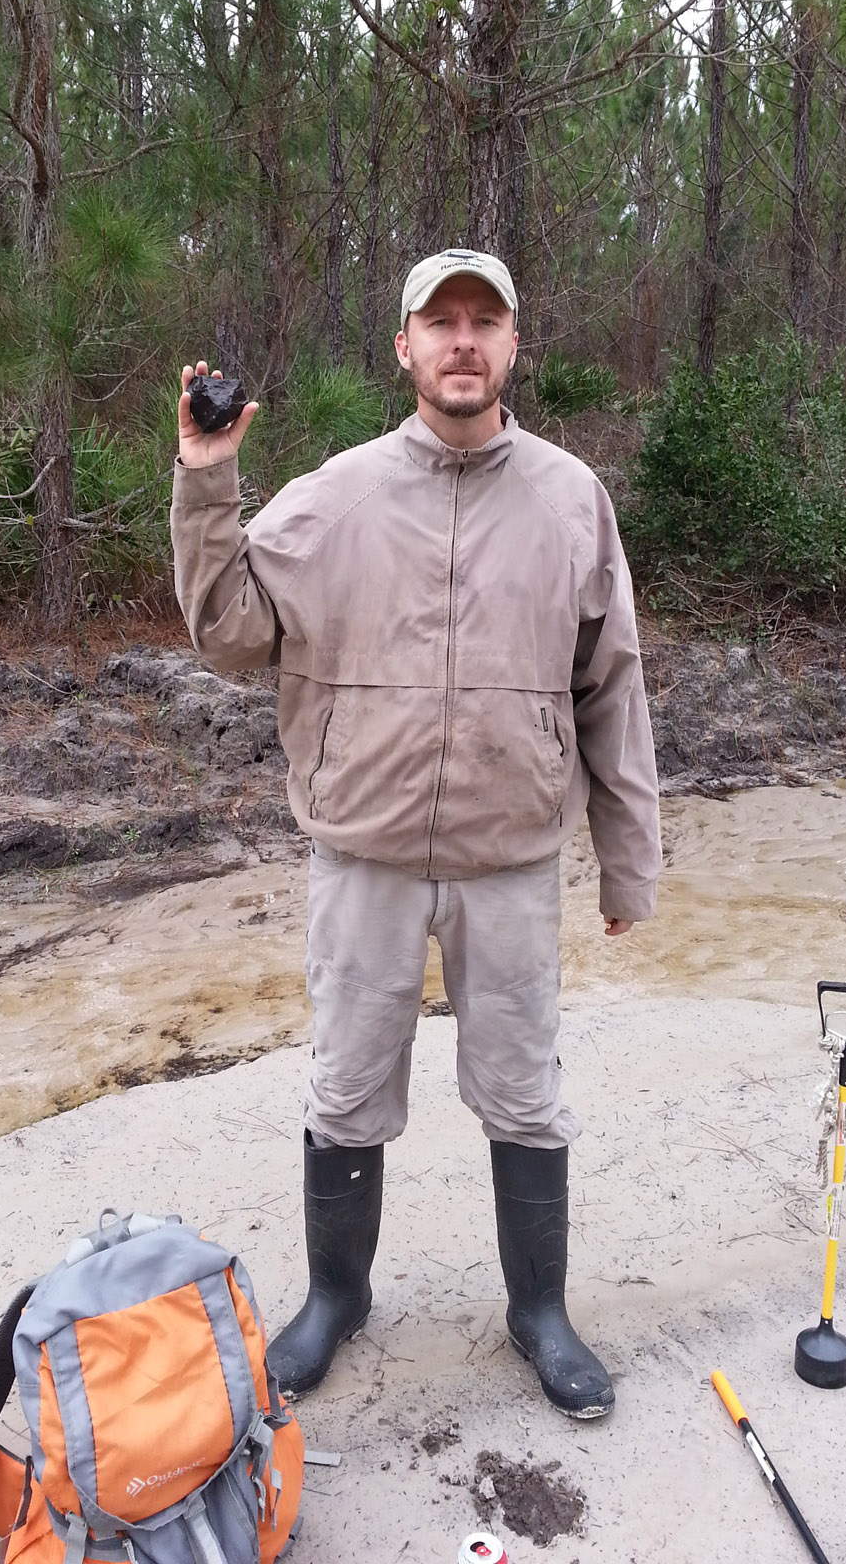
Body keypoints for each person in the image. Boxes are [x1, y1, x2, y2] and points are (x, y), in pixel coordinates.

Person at [171, 247, 661, 1419]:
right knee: (345, 1090)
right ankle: (337, 1299)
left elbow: (613, 684)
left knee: (526, 1096)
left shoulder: (569, 498)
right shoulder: (332, 494)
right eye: (437, 322)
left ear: (509, 346)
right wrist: (205, 478)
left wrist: (628, 859)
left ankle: (538, 1313)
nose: (460, 341)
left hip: (510, 863)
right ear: (404, 347)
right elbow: (229, 631)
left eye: (482, 321)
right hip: (364, 857)